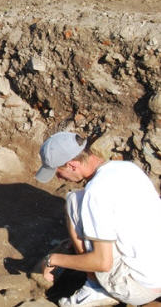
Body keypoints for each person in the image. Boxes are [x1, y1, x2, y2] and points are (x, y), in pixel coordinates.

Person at [35, 131, 161, 307]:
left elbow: (102, 262)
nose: (59, 178)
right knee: (76, 201)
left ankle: (95, 287)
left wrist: (53, 259)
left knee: (73, 202)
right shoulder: (127, 168)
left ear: (72, 165)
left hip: (140, 287)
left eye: (58, 172)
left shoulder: (96, 193)